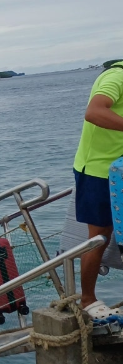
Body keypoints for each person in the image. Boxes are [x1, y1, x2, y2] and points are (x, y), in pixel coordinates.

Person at [72, 61, 123, 319]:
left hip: (120, 168)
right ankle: (87, 298)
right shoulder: (116, 76)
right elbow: (94, 112)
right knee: (100, 236)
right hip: (97, 171)